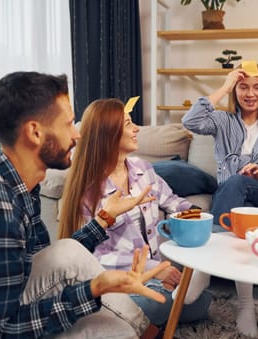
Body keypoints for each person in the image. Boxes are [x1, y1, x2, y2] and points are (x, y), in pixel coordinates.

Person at [0, 71, 211, 339]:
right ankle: (151, 338)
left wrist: (104, 219)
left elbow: (59, 261)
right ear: (35, 132)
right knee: (123, 335)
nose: (78, 135)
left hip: (16, 299)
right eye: (68, 124)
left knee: (73, 260)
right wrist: (94, 290)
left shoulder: (20, 186)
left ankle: (152, 336)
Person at [58, 98, 212, 327]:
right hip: (115, 283)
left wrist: (197, 216)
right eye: (128, 123)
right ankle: (162, 303)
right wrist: (155, 270)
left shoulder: (142, 168)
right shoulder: (88, 190)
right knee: (157, 305)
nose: (136, 128)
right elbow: (92, 257)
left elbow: (171, 201)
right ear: (108, 134)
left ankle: (170, 300)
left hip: (150, 278)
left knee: (204, 302)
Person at [181, 63, 258, 336]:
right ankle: (246, 306)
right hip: (232, 195)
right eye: (244, 86)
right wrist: (225, 86)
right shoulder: (222, 121)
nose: (250, 93)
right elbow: (190, 121)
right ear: (236, 89)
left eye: (257, 87)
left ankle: (204, 266)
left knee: (239, 185)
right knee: (238, 203)